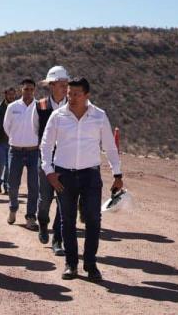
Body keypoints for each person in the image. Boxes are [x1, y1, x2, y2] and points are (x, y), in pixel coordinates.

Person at [40, 77, 123, 282]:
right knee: (66, 220)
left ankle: (90, 263)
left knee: (94, 220)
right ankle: (71, 264)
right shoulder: (57, 116)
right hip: (63, 175)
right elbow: (46, 145)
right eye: (69, 93)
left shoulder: (99, 116)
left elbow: (110, 147)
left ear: (87, 95)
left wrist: (117, 174)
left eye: (76, 94)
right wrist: (49, 171)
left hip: (90, 175)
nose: (72, 97)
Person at [36, 66, 70, 256]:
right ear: (51, 86)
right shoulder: (40, 106)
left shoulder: (72, 105)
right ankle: (42, 222)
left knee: (64, 201)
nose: (65, 88)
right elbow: (35, 131)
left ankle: (58, 240)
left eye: (66, 84)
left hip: (66, 161)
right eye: (62, 84)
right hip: (45, 160)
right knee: (45, 199)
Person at [2, 78, 41, 231]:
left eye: (31, 89)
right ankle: (13, 208)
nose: (28, 92)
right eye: (26, 89)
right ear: (21, 90)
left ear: (34, 90)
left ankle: (31, 217)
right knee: (12, 183)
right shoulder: (12, 107)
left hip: (33, 151)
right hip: (16, 151)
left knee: (34, 186)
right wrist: (16, 138)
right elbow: (7, 126)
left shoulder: (39, 106)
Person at [0, 87, 17, 194]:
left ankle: (6, 186)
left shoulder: (17, 108)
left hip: (12, 142)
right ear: (5, 95)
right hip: (0, 142)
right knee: (0, 164)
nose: (11, 96)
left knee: (9, 165)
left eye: (13, 94)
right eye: (10, 94)